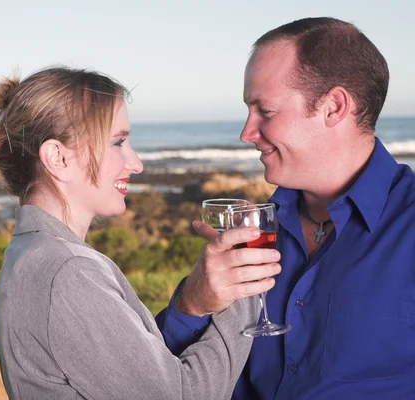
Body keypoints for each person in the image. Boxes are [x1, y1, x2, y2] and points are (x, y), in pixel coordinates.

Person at [0, 66, 281, 399]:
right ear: (58, 158)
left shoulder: (29, 253)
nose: (136, 163)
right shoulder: (67, 271)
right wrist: (243, 289)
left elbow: (134, 372)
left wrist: (192, 304)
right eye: (118, 143)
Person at [157, 17, 415, 399]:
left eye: (266, 112)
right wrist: (193, 302)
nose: (247, 133)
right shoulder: (253, 231)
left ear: (334, 107)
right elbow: (158, 377)